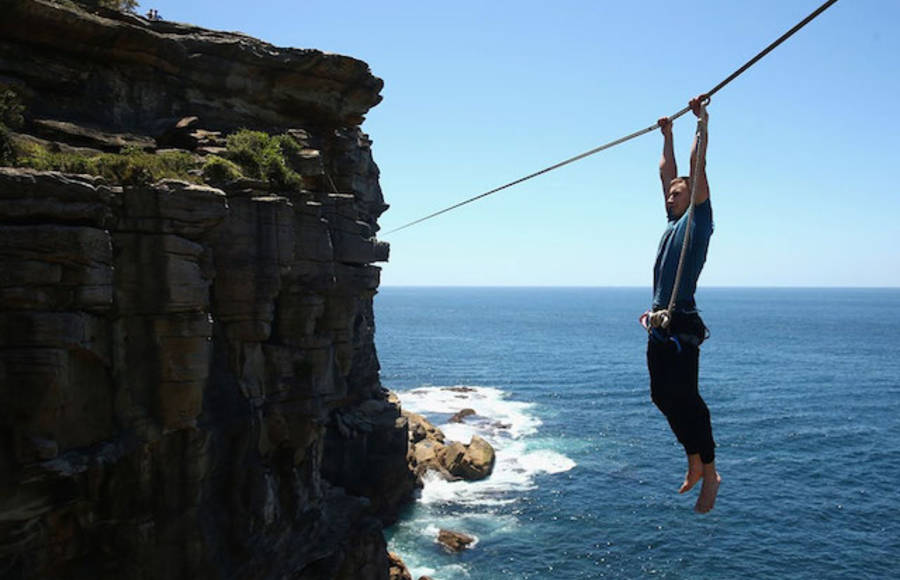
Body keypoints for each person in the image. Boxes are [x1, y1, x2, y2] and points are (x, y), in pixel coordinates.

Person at [646, 95, 720, 513]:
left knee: (687, 397)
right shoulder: (673, 223)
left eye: (677, 193)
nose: (670, 196)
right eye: (669, 194)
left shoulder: (699, 220)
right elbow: (667, 171)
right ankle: (693, 459)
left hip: (682, 323)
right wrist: (667, 135)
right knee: (661, 395)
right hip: (659, 324)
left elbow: (694, 171)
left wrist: (700, 124)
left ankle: (710, 471)